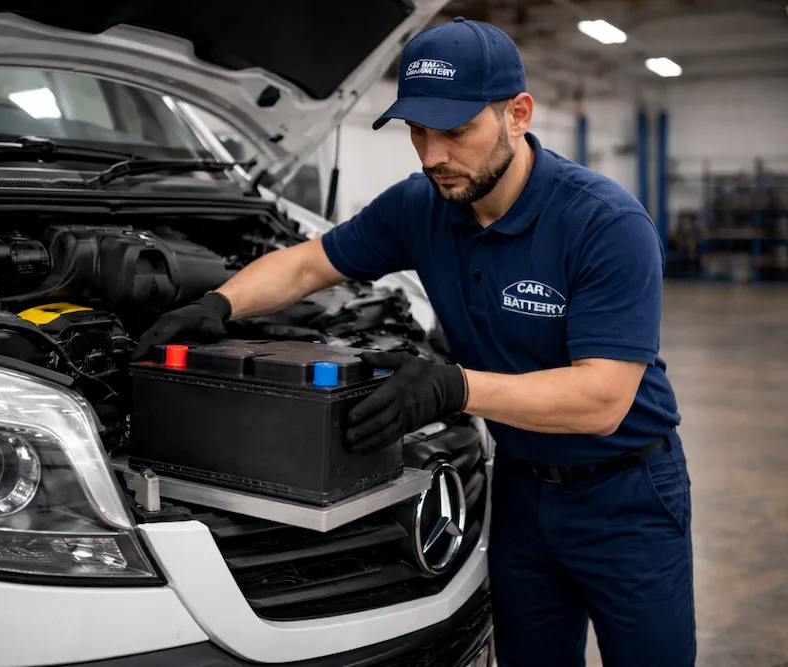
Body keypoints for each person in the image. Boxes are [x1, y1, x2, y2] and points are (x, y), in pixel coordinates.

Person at [132, 17, 694, 667]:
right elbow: (311, 263)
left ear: (517, 114)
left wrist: (452, 387)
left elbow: (602, 399)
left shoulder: (603, 224)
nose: (432, 157)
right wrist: (219, 302)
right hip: (518, 489)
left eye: (455, 132)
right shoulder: (423, 205)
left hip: (625, 497)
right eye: (417, 133)